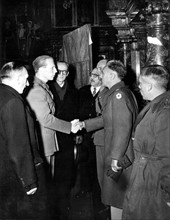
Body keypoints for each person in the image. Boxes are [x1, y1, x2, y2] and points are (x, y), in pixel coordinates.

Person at [79, 60, 138, 220]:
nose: (100, 75)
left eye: (103, 73)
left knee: (117, 197)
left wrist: (115, 159)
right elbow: (107, 119)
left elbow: (122, 129)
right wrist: (84, 124)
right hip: (117, 151)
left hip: (118, 155)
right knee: (115, 196)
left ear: (111, 75)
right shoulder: (119, 92)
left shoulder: (118, 96)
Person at [122, 65, 170, 220]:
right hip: (145, 174)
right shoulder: (155, 105)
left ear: (149, 85)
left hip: (153, 179)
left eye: (141, 83)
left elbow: (167, 156)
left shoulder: (164, 113)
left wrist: (168, 193)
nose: (139, 86)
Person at [0, 62, 47, 219]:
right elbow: (18, 145)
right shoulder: (14, 101)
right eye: (26, 79)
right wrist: (29, 181)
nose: (28, 84)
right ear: (18, 78)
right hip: (15, 175)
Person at [26, 55, 80, 181]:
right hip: (44, 143)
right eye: (52, 68)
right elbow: (45, 119)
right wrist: (70, 126)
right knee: (46, 182)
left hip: (49, 141)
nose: (56, 71)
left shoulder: (43, 87)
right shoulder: (37, 90)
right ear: (41, 69)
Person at [48, 61, 78, 219]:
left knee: (65, 173)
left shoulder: (74, 91)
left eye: (65, 72)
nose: (62, 74)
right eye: (59, 71)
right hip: (51, 136)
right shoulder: (48, 89)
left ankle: (64, 206)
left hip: (67, 137)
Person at [76, 67, 102, 198]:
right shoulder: (82, 91)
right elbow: (77, 112)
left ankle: (99, 192)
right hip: (84, 133)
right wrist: (78, 134)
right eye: (91, 75)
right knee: (84, 162)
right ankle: (84, 189)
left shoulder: (105, 92)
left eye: (96, 76)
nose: (92, 78)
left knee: (98, 163)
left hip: (100, 134)